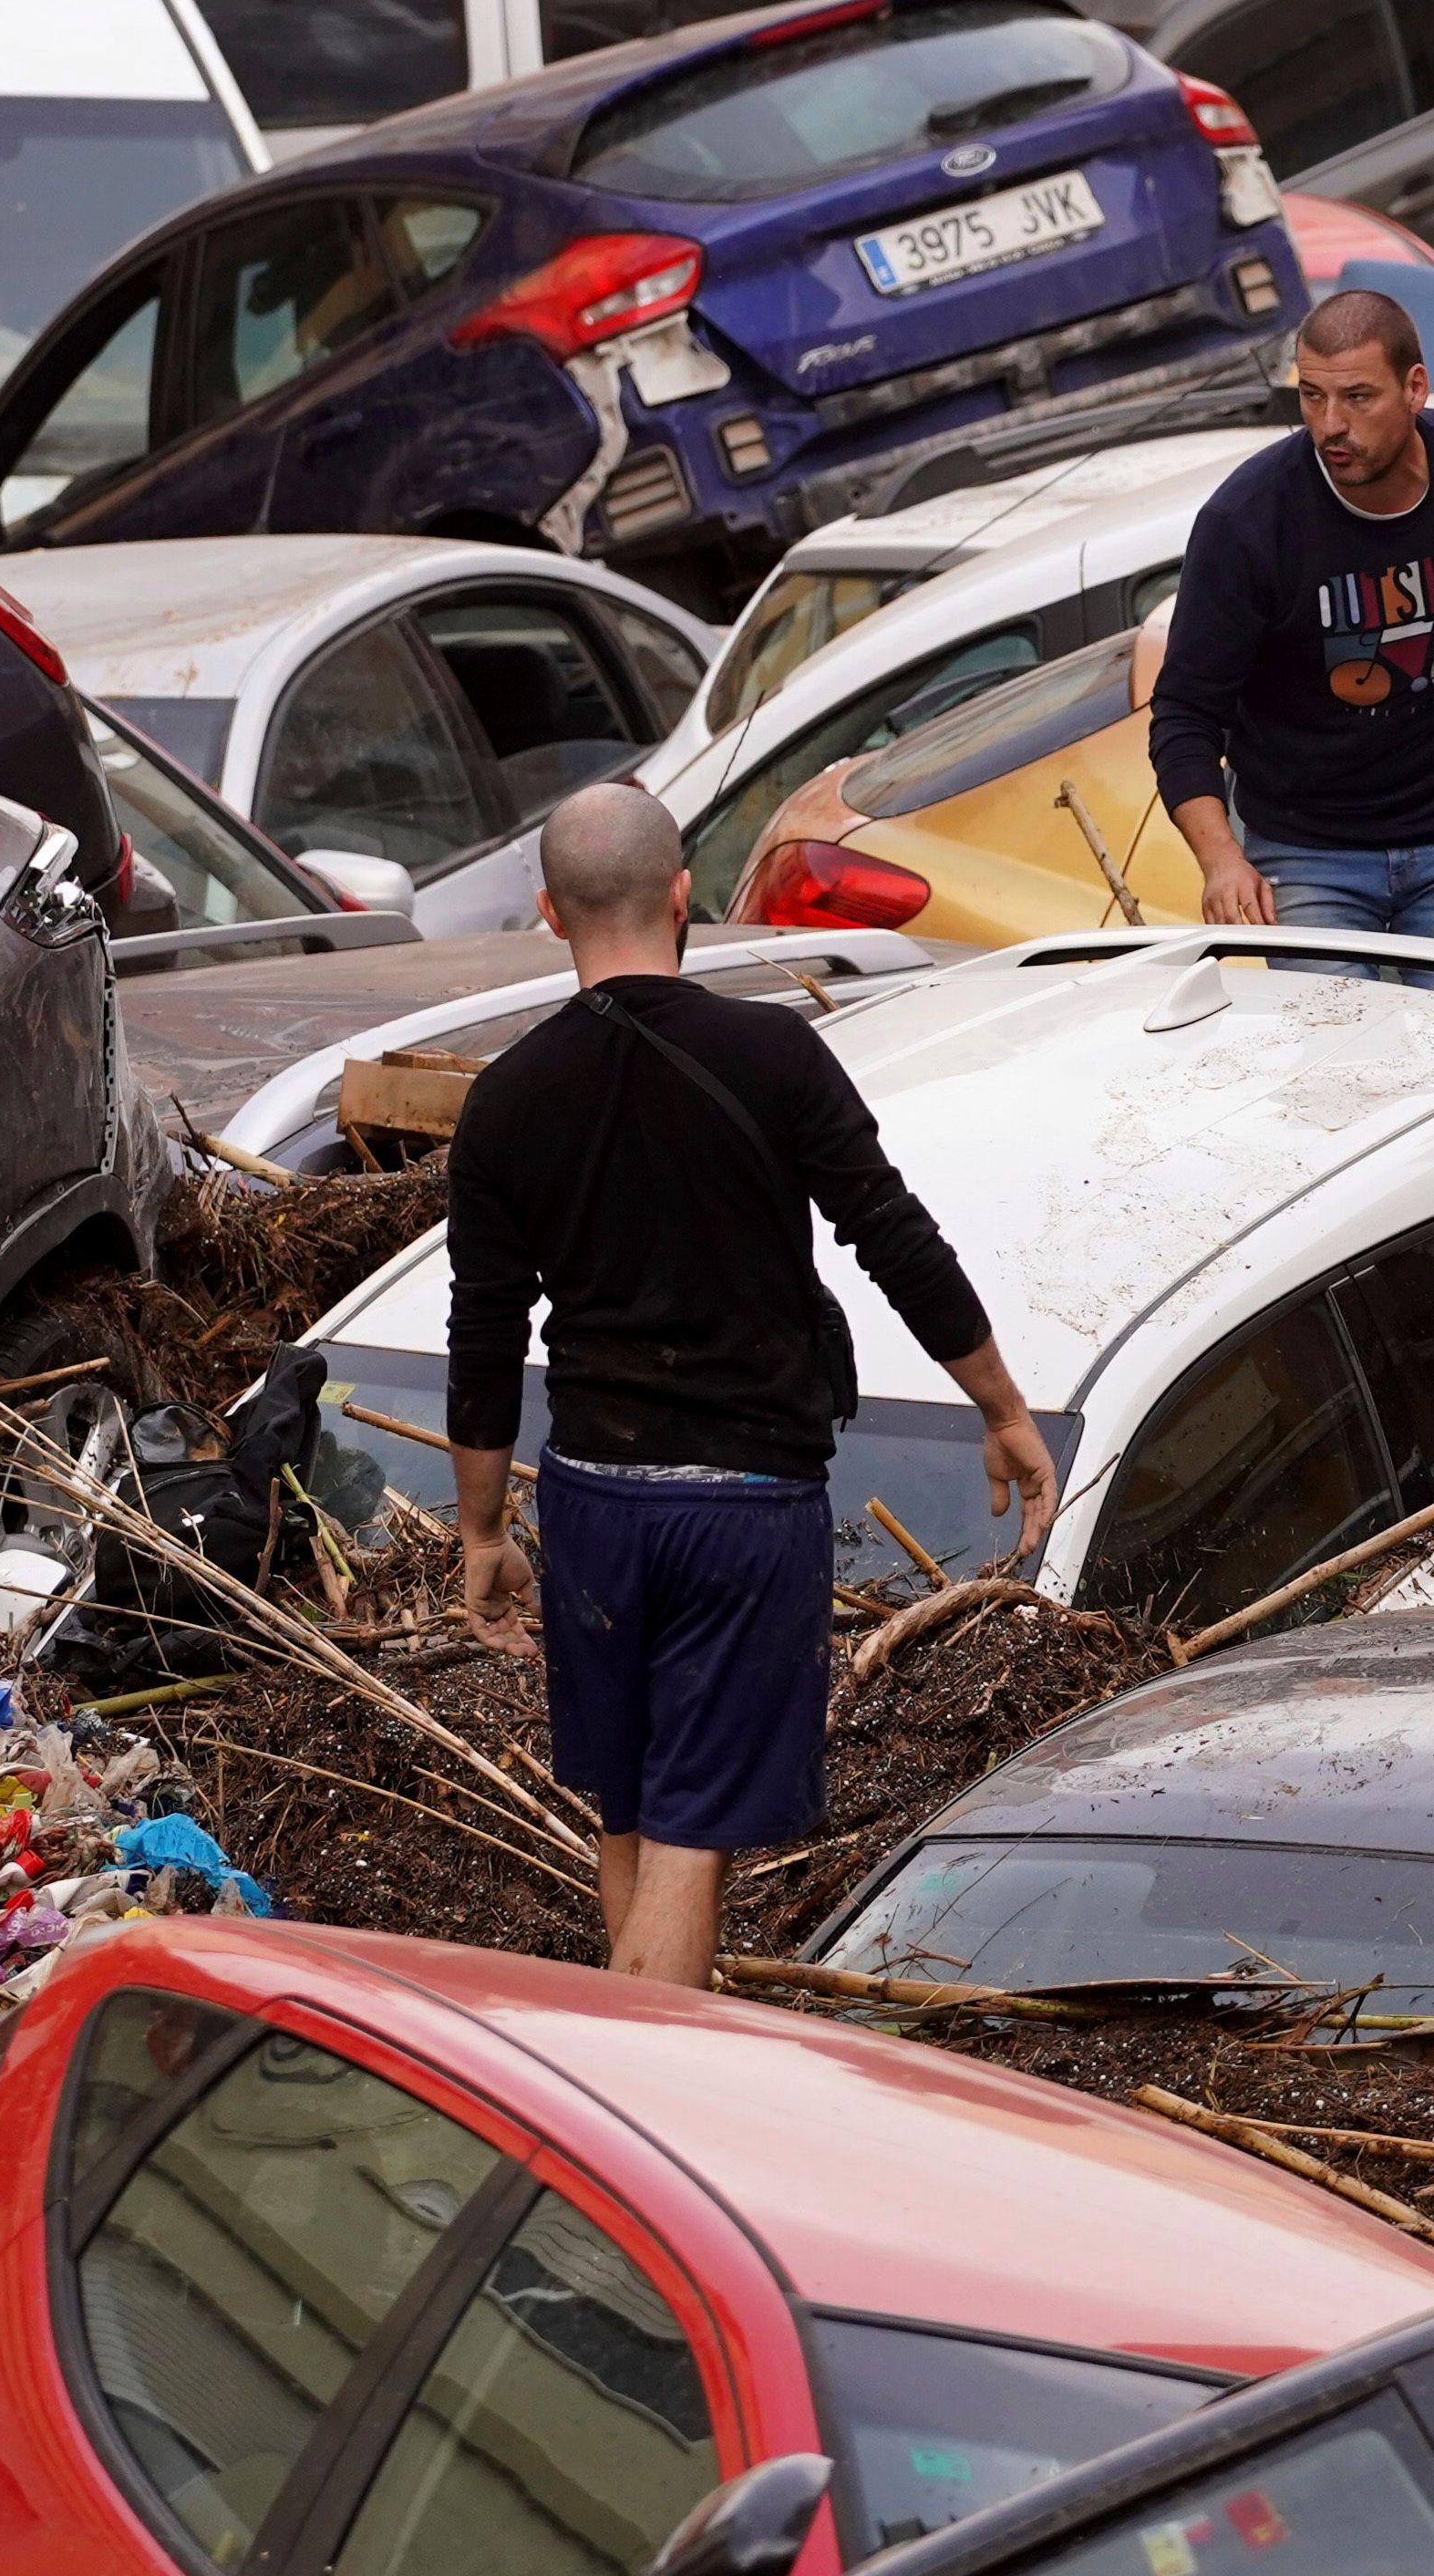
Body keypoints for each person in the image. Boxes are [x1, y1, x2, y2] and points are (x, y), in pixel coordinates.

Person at [442, 784, 1057, 1987]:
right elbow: (893, 1235)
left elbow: (484, 1332)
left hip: (593, 1498)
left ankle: (645, 2047)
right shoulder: (772, 1056)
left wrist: (477, 1530)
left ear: (548, 914)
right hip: (739, 1506)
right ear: (682, 897)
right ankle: (639, 2104)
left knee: (627, 1808)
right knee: (686, 1835)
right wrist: (999, 1407)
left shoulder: (505, 1098)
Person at [1148, 285, 1434, 943]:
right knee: (1334, 1044)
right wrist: (1221, 860)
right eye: (1311, 396)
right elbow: (1184, 713)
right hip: (1307, 852)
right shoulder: (1248, 523)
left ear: (1415, 389)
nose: (1328, 425)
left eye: (1357, 397)